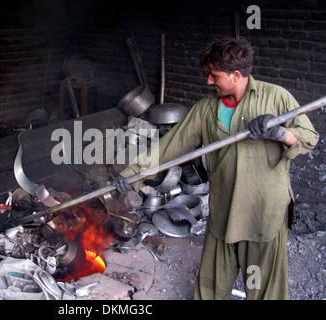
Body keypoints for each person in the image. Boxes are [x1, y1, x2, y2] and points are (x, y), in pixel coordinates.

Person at [116, 37, 319, 300]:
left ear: (236, 75)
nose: (209, 81)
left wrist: (279, 131)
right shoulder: (206, 108)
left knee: (265, 290)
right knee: (210, 287)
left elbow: (308, 138)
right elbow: (170, 146)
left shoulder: (276, 98)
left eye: (214, 75)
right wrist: (134, 173)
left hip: (263, 211)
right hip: (224, 208)